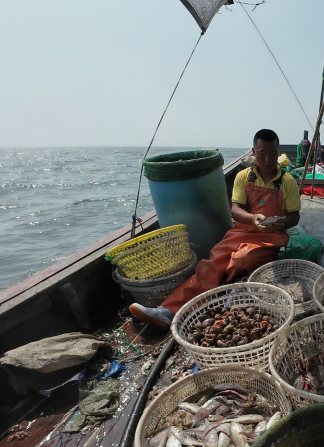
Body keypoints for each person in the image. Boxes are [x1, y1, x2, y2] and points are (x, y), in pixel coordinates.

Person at [129, 129, 301, 330]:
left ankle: (212, 300)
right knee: (212, 261)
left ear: (277, 152)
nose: (267, 158)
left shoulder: (287, 181)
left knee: (239, 261)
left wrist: (280, 223)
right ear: (254, 151)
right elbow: (236, 211)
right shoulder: (244, 177)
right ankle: (166, 310)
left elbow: (294, 217)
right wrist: (254, 218)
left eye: (272, 153)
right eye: (262, 152)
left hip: (271, 237)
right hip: (242, 232)